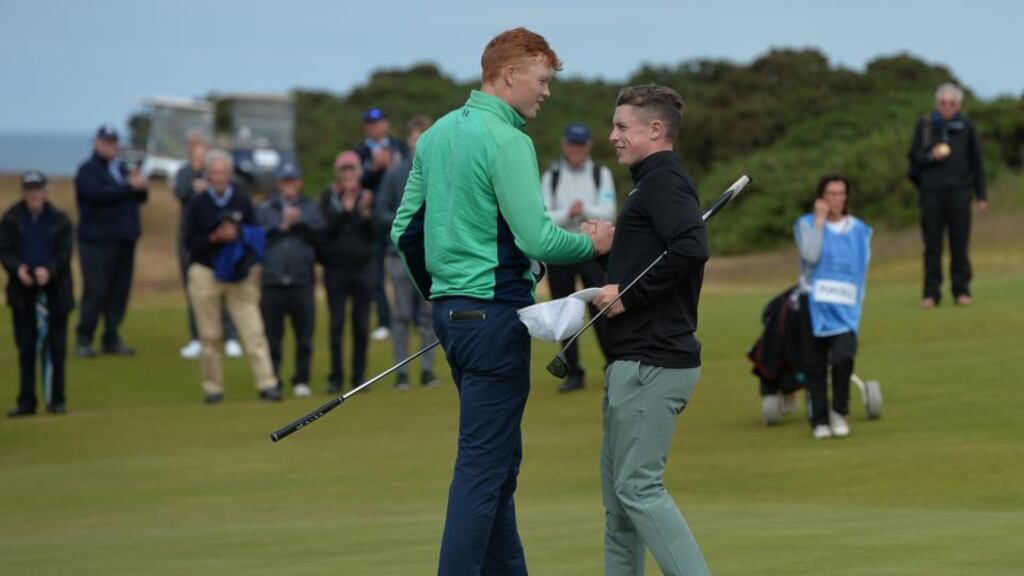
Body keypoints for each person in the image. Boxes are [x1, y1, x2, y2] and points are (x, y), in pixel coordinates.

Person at [391, 28, 613, 575]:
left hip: (454, 319)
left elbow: (405, 232)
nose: (546, 92)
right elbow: (538, 239)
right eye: (541, 80)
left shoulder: (436, 136)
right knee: (483, 468)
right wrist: (593, 243)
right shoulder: (509, 140)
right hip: (492, 321)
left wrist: (444, 300)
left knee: (498, 466)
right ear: (509, 73)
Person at [592, 84, 711, 575]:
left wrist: (629, 295)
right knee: (620, 510)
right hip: (632, 362)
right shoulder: (646, 186)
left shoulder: (664, 182)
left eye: (623, 127)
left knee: (638, 490)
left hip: (653, 363)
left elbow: (691, 248)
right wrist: (608, 255)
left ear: (655, 130)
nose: (613, 136)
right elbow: (632, 277)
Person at [183, 149, 280, 403]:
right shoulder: (198, 203)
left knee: (254, 331)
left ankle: (267, 383)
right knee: (210, 335)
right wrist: (214, 238)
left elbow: (256, 232)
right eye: (215, 173)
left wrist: (238, 232)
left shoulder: (241, 199)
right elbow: (189, 242)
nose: (220, 177)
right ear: (208, 174)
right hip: (206, 271)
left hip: (239, 273)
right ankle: (213, 388)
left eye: (224, 172)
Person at [794, 175, 872, 439]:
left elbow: (861, 269)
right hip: (813, 304)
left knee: (843, 357)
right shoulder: (806, 225)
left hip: (845, 307)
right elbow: (810, 256)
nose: (836, 199)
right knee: (814, 364)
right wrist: (819, 222)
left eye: (841, 193)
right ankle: (819, 420)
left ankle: (839, 410)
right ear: (821, 197)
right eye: (830, 193)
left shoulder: (859, 229)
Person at [541, 122, 617, 392]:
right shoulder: (552, 176)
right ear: (565, 145)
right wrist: (567, 213)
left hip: (592, 249)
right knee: (565, 311)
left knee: (602, 306)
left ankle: (613, 364)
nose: (576, 149)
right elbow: (544, 215)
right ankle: (573, 371)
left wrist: (582, 210)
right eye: (572, 144)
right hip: (560, 249)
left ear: (588, 146)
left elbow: (608, 211)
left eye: (580, 144)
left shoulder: (600, 174)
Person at [907, 82, 986, 309]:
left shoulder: (966, 127)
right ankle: (931, 293)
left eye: (952, 103)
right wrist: (931, 156)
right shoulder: (925, 126)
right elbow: (914, 158)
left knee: (959, 245)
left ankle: (961, 290)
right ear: (937, 103)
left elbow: (977, 163)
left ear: (958, 105)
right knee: (932, 246)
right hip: (931, 194)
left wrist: (981, 195)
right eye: (943, 102)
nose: (947, 106)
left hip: (960, 193)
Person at [1, 171, 74, 417]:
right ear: (24, 191)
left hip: (54, 291)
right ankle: (26, 400)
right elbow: (6, 251)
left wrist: (50, 271)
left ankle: (57, 399)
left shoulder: (59, 220)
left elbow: (65, 254)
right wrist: (18, 268)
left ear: (45, 191)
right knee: (26, 347)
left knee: (56, 347)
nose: (34, 194)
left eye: (37, 189)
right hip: (23, 291)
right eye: (29, 189)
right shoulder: (12, 218)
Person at [376, 115, 440, 390]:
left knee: (428, 316)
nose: (420, 141)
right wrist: (410, 225)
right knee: (401, 316)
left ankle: (427, 371)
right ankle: (401, 373)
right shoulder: (395, 173)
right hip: (399, 255)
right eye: (416, 137)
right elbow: (381, 211)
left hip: (432, 256)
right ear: (409, 141)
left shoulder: (442, 172)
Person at [73, 123, 147, 357]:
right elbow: (97, 195)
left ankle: (111, 336)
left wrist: (138, 184)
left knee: (119, 291)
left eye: (114, 142)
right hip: (97, 241)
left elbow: (141, 196)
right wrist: (128, 187)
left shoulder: (123, 168)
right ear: (97, 143)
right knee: (96, 290)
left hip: (125, 239)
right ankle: (84, 337)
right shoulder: (87, 170)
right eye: (106, 142)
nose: (111, 146)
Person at [173, 129, 243, 360]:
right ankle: (198, 338)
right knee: (196, 291)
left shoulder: (219, 170)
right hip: (192, 240)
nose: (196, 150)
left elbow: (236, 190)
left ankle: (231, 336)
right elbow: (180, 192)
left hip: (221, 241)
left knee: (227, 288)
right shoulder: (185, 172)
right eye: (192, 145)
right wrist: (194, 174)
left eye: (200, 145)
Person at [257, 162, 325, 398]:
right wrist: (281, 224)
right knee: (272, 335)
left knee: (304, 334)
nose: (289, 186)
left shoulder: (310, 207)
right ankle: (272, 379)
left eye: (293, 181)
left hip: (302, 279)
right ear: (279, 184)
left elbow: (321, 236)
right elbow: (257, 239)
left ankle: (301, 379)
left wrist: (300, 222)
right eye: (285, 181)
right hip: (272, 280)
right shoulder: (266, 207)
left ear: (300, 183)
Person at [319, 150, 375, 394]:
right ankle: (336, 377)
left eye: (352, 170)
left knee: (361, 325)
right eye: (345, 171)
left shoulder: (367, 198)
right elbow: (323, 233)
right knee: (337, 324)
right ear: (339, 174)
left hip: (362, 270)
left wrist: (362, 213)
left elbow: (375, 235)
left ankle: (359, 376)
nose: (349, 175)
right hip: (336, 270)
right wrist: (344, 211)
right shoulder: (327, 198)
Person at [357, 107, 409, 342]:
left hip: (401, 217)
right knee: (377, 273)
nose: (374, 127)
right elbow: (357, 181)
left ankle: (415, 319)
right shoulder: (360, 152)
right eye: (370, 123)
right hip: (375, 222)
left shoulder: (399, 147)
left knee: (410, 270)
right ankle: (384, 320)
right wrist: (374, 169)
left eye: (378, 122)